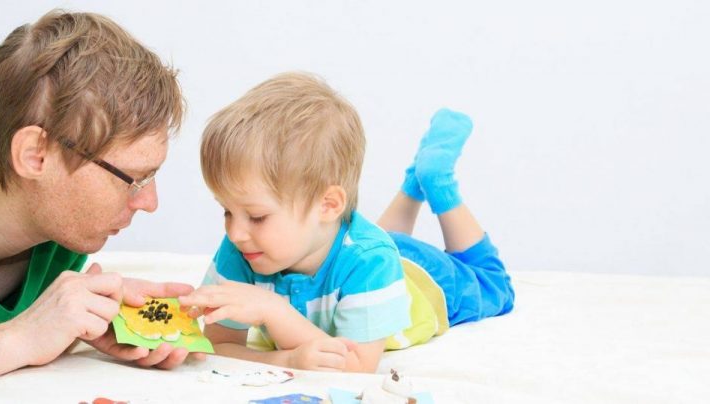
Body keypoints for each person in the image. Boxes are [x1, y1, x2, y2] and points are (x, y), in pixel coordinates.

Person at [179, 72, 515, 373]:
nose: (234, 232)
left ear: (328, 206)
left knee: (493, 284)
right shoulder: (244, 247)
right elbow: (218, 346)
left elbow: (356, 366)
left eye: (256, 217)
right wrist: (286, 361)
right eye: (226, 211)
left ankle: (436, 181)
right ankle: (412, 184)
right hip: (361, 247)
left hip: (422, 278)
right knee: (382, 241)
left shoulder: (372, 263)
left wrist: (273, 310)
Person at [0, 10, 201, 391]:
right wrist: (23, 337)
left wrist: (82, 321)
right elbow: (23, 337)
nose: (149, 202)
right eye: (133, 179)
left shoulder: (57, 234)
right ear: (35, 155)